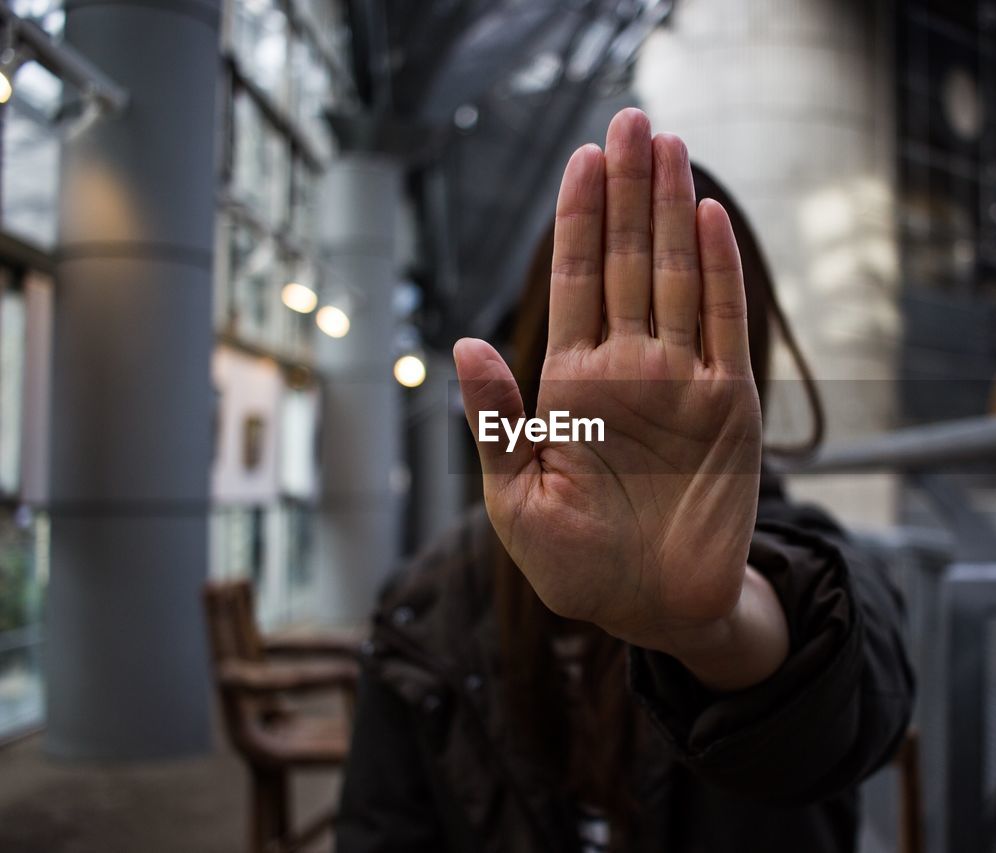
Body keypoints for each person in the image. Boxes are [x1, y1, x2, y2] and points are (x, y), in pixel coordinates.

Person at [335, 107, 913, 853]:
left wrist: (716, 625)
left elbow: (851, 698)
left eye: (687, 348)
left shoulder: (821, 571)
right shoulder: (427, 605)